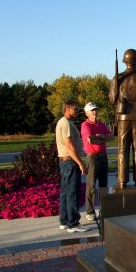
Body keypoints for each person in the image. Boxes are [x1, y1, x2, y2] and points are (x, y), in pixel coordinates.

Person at [109, 48, 136, 188]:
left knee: (122, 150)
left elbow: (111, 100)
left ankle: (122, 182)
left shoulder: (118, 78)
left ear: (125, 61)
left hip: (123, 117)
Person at [55, 99, 90, 233]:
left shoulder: (64, 122)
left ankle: (64, 221)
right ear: (67, 109)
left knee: (65, 193)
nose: (77, 110)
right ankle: (73, 224)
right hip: (70, 162)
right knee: (72, 193)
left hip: (65, 162)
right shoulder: (65, 124)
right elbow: (70, 146)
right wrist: (80, 163)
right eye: (75, 108)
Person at [81, 102, 114, 221]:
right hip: (93, 157)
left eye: (96, 109)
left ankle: (103, 209)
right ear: (87, 113)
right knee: (91, 186)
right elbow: (91, 140)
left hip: (103, 156)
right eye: (92, 110)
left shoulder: (101, 124)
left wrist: (102, 137)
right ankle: (90, 211)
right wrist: (102, 138)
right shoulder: (85, 125)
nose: (95, 112)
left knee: (103, 185)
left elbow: (112, 137)